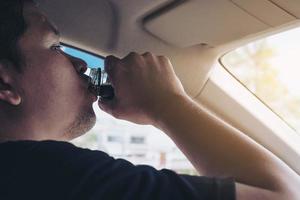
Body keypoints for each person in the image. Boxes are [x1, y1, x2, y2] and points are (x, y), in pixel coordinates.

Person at [0, 0, 299, 199]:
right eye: (54, 47)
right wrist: (167, 104)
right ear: (4, 82)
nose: (78, 65)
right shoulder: (45, 172)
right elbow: (284, 195)